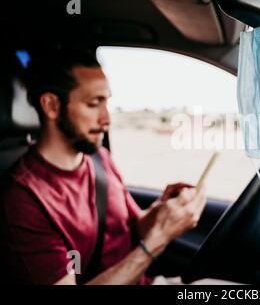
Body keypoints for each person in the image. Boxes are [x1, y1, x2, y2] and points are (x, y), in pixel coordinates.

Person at [0, 48, 206, 285]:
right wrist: (157, 240)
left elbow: (131, 228)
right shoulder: (23, 199)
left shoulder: (99, 158)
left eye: (106, 102)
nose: (106, 118)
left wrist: (163, 211)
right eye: (93, 103)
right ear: (51, 106)